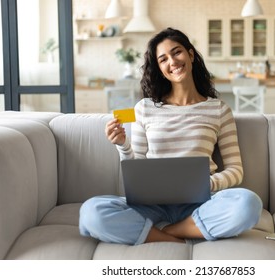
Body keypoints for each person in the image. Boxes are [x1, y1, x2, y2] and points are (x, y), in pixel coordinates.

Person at [79, 27, 263, 245]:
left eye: (177, 52)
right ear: (159, 68)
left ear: (191, 55)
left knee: (249, 204)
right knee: (92, 212)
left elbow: (236, 170)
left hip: (202, 201)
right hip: (152, 203)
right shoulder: (145, 108)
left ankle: (168, 232)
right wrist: (123, 145)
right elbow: (136, 169)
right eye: (163, 59)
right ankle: (181, 234)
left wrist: (205, 184)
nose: (172, 62)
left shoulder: (219, 110)